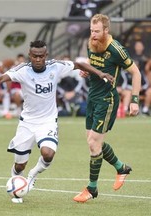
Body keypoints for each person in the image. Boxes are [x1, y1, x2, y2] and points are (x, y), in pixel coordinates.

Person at [0, 40, 113, 203]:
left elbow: (78, 64)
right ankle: (16, 182)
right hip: (27, 123)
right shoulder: (22, 70)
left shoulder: (56, 66)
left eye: (41, 56)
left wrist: (100, 73)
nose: (38, 59)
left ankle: (32, 176)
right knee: (20, 166)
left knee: (48, 154)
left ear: (46, 56)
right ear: (30, 56)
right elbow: (1, 78)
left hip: (48, 122)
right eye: (35, 56)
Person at [73, 14, 141, 203]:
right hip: (92, 98)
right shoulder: (91, 42)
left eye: (96, 31)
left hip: (107, 100)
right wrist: (86, 71)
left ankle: (91, 188)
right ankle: (121, 168)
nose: (93, 34)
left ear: (106, 30)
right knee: (93, 142)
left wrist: (134, 100)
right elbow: (91, 64)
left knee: (94, 143)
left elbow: (136, 73)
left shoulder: (116, 49)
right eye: (91, 30)